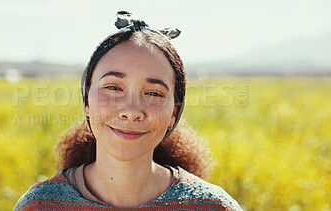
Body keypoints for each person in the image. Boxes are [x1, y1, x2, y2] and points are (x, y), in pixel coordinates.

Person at [14, 11, 243, 211]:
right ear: (87, 101)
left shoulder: (213, 206)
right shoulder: (40, 205)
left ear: (174, 112)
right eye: (113, 87)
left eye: (154, 93)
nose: (132, 111)